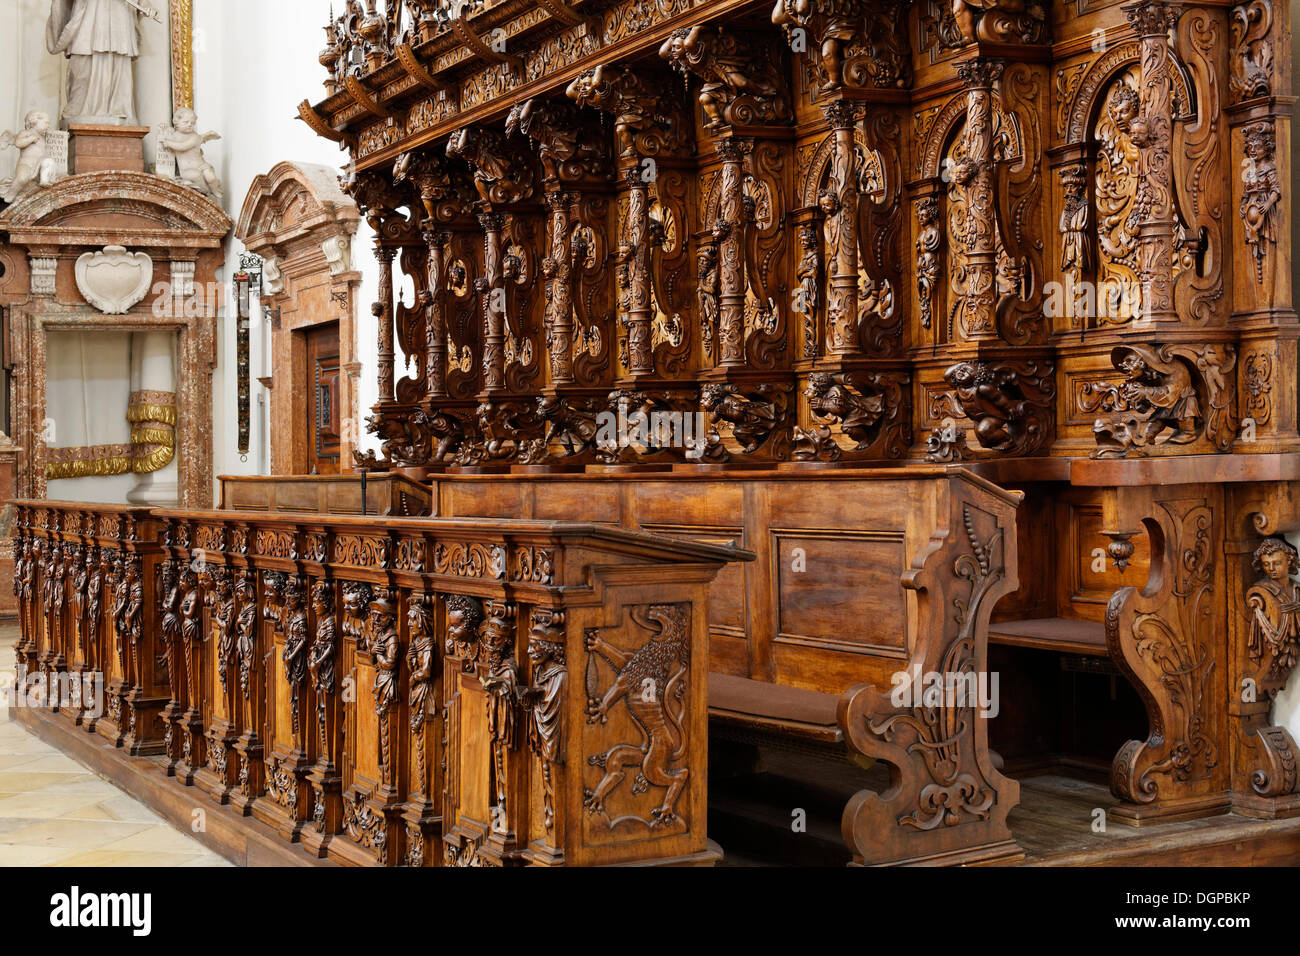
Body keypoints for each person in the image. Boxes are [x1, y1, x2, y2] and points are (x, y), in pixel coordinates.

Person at [46, 0, 157, 126]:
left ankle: (117, 108)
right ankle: (81, 108)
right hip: (89, 14)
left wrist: (146, 5)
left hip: (119, 17)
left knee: (118, 58)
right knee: (83, 61)